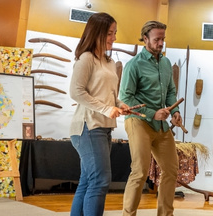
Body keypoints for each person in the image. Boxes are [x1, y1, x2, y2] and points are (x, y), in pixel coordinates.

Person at [119, 20, 182, 216]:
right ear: (145, 38)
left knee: (171, 169)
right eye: (157, 39)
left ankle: (165, 214)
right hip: (138, 121)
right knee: (139, 171)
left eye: (163, 39)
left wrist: (175, 111)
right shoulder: (133, 65)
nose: (161, 43)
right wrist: (152, 113)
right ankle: (128, 214)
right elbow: (126, 98)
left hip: (161, 125)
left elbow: (171, 91)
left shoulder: (165, 63)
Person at [69, 12, 129, 216]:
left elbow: (111, 96)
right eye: (110, 33)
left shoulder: (110, 62)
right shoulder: (86, 59)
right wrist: (106, 108)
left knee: (88, 181)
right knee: (100, 181)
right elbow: (76, 92)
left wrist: (121, 105)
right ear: (97, 33)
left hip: (103, 128)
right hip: (87, 127)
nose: (114, 38)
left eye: (115, 33)